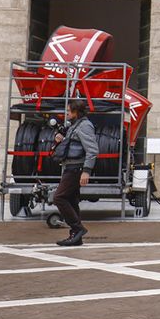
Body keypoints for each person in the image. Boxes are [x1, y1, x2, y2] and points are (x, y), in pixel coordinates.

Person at [50, 98, 98, 247]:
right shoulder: (75, 125)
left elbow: (92, 150)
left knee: (59, 198)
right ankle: (76, 236)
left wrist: (86, 171)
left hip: (75, 169)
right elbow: (73, 145)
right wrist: (61, 139)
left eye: (69, 111)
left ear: (76, 112)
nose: (67, 113)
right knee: (71, 200)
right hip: (70, 167)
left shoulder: (85, 126)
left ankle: (78, 229)